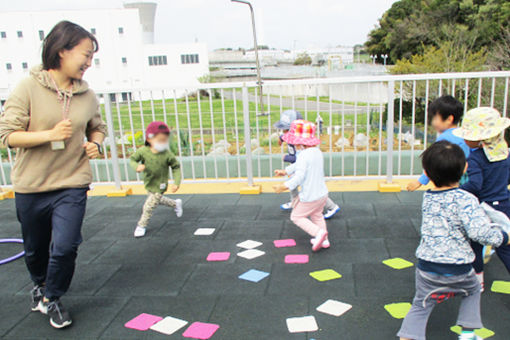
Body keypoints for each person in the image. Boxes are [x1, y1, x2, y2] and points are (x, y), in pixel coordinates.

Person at [0, 21, 105, 328]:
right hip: (31, 185)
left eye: (91, 57)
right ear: (61, 51)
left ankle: (52, 298)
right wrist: (48, 135)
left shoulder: (87, 94)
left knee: (66, 245)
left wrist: (95, 143)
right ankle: (40, 284)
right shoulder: (28, 87)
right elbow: (7, 135)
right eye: (85, 55)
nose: (88, 62)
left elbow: (98, 127)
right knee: (35, 249)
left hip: (72, 182)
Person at [397, 141, 510, 340]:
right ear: (466, 168)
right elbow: (479, 233)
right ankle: (467, 333)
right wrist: (503, 236)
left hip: (426, 267)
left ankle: (407, 336)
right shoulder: (466, 199)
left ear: (428, 174)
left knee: (421, 304)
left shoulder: (428, 198)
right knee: (474, 290)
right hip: (458, 269)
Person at [454, 107, 510, 290]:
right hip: (503, 203)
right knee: (505, 245)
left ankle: (477, 283)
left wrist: (457, 191)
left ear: (479, 139)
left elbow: (475, 185)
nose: (464, 139)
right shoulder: (505, 153)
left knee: (475, 244)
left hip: (483, 207)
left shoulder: (476, 158)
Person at [273, 120, 330, 251]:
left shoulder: (304, 155)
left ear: (299, 142)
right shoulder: (316, 152)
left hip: (310, 196)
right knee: (317, 215)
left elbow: (299, 177)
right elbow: (299, 165)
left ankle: (319, 233)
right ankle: (325, 240)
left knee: (296, 216)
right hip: (322, 194)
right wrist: (286, 171)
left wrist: (284, 186)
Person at [274, 110, 340, 219]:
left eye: (286, 130)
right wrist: (281, 139)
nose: (285, 133)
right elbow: (284, 137)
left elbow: (300, 159)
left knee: (312, 191)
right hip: (295, 165)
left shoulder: (303, 148)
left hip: (300, 165)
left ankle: (331, 206)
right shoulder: (291, 138)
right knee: (296, 186)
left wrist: (286, 158)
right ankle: (294, 202)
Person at [130, 121, 182, 238]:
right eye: (160, 140)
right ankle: (175, 204)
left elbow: (176, 167)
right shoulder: (143, 152)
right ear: (149, 139)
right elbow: (132, 159)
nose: (163, 143)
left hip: (161, 185)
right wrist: (137, 167)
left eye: (165, 140)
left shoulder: (167, 154)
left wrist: (176, 182)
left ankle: (141, 225)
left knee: (149, 206)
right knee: (157, 200)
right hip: (149, 183)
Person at [407, 95, 470, 192]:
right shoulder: (466, 135)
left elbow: (435, 162)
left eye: (436, 118)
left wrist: (419, 181)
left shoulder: (445, 138)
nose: (433, 122)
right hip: (468, 181)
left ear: (449, 119)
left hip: (452, 183)